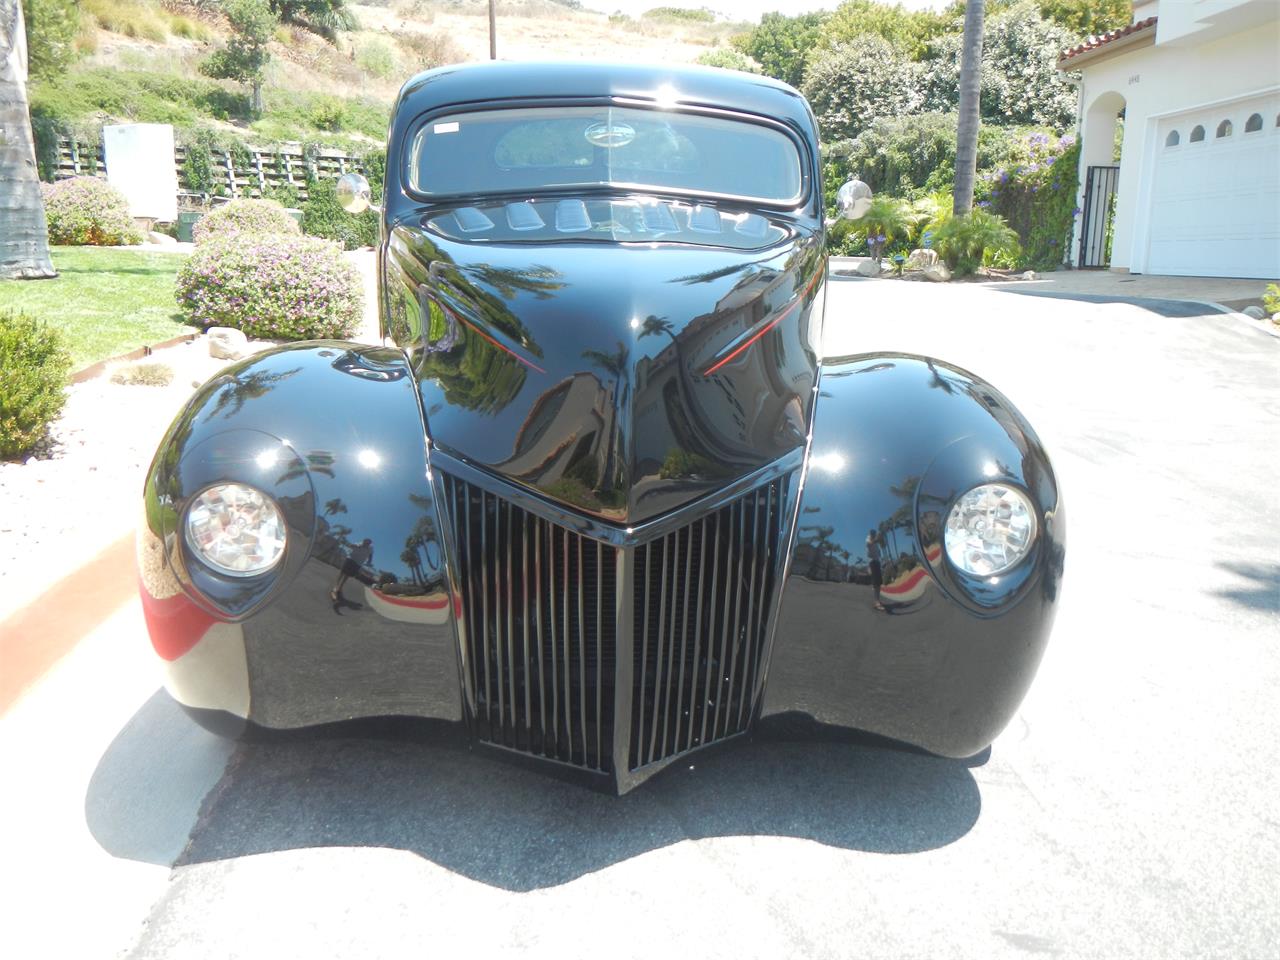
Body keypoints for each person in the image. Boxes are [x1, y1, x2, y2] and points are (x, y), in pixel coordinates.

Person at [866, 529, 885, 611]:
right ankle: (876, 602)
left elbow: (878, 551)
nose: (873, 535)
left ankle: (877, 601)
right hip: (873, 562)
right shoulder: (868, 539)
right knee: (876, 583)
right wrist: (878, 537)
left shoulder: (875, 541)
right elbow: (870, 543)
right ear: (870, 534)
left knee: (879, 583)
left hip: (877, 562)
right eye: (873, 534)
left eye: (874, 534)